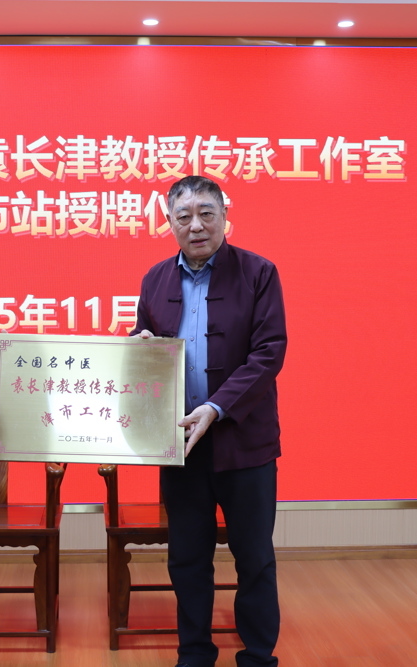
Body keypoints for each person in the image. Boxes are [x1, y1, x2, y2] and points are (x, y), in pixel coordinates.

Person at [132, 176, 287, 667]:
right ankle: (194, 653)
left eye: (206, 214)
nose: (195, 225)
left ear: (224, 216)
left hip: (245, 444)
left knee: (254, 557)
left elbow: (269, 353)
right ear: (169, 222)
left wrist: (216, 407)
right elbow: (145, 346)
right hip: (182, 445)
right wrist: (138, 350)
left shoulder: (259, 273)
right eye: (184, 216)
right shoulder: (155, 279)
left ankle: (258, 656)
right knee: (187, 558)